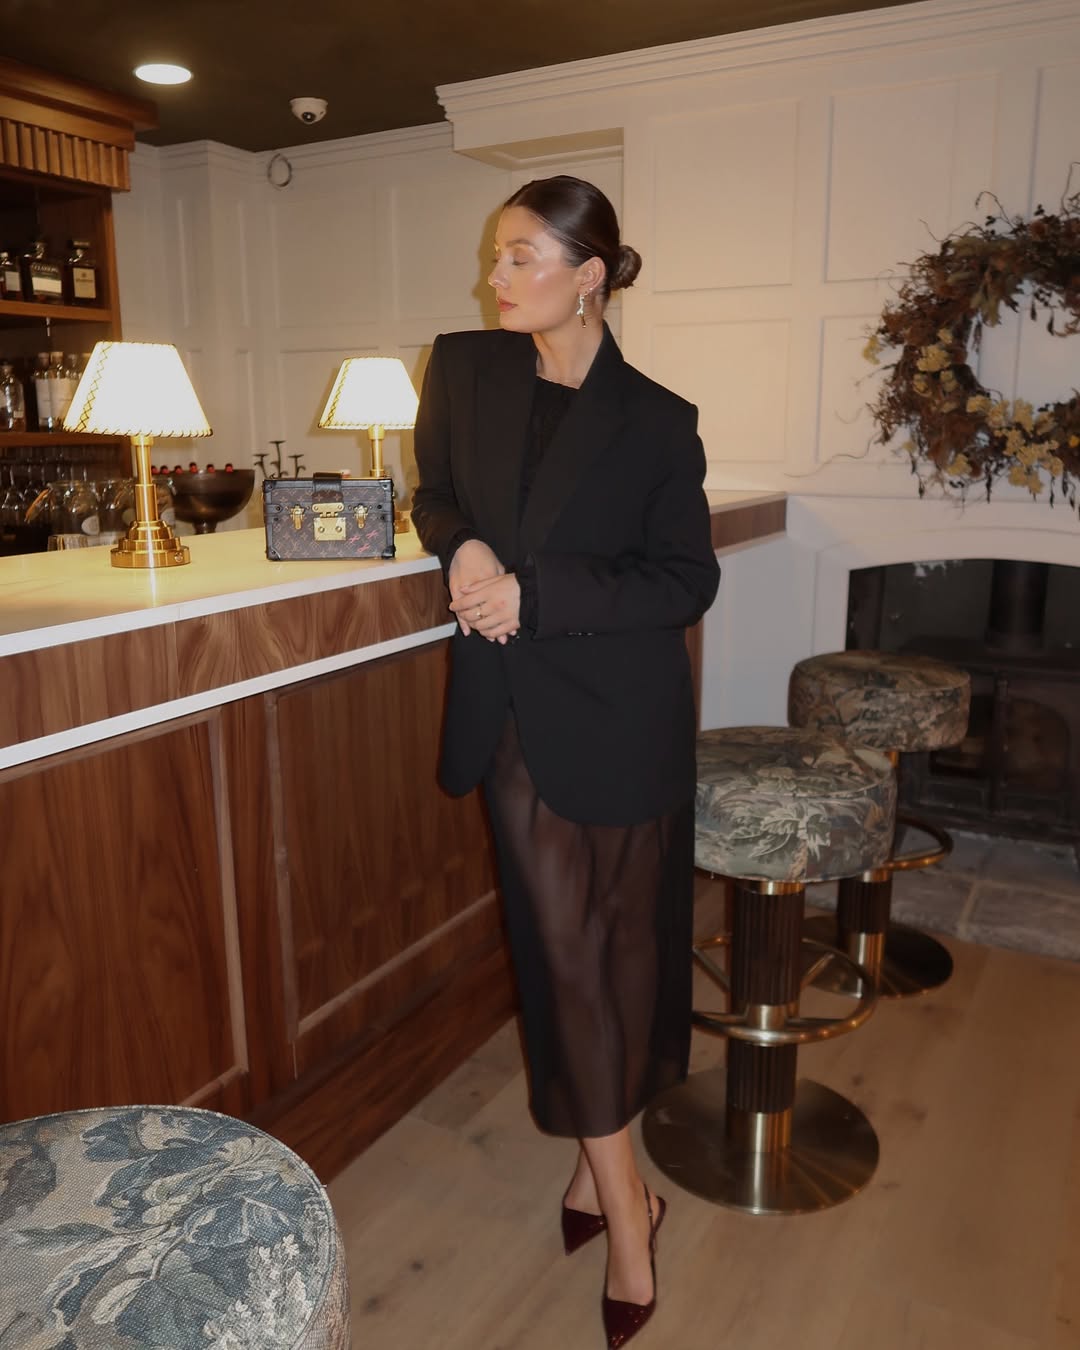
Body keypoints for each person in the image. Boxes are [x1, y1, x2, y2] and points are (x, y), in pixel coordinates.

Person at [411, 174, 719, 1349]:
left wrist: (537, 595)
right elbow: (437, 493)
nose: (494, 277)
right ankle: (633, 1209)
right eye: (496, 255)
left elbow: (684, 578)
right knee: (566, 954)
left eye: (520, 258)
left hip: (625, 716)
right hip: (513, 722)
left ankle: (600, 1173)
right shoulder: (464, 368)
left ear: (588, 277)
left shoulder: (657, 418)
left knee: (627, 953)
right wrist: (462, 545)